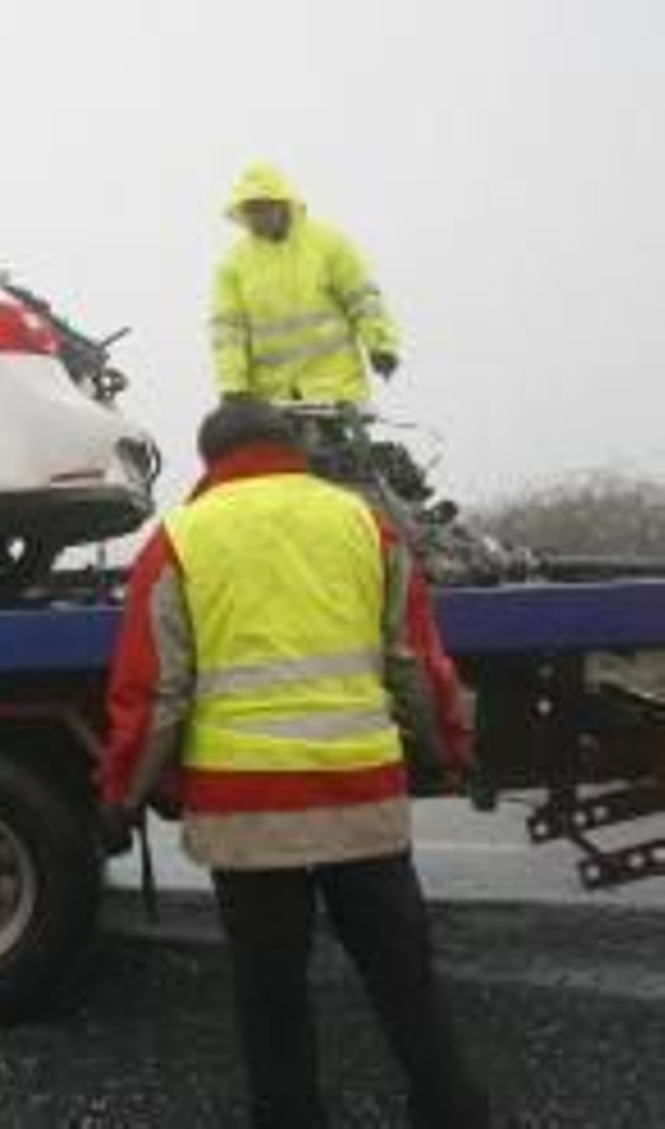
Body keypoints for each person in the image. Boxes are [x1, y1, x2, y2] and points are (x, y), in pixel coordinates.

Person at [99, 399, 488, 1129]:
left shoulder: (182, 537)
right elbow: (414, 662)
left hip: (247, 813)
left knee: (270, 992)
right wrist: (449, 752)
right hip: (361, 799)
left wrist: (122, 795)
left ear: (210, 460)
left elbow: (156, 694)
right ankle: (452, 1109)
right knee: (404, 979)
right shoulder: (363, 524)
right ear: (292, 448)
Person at [211, 164, 400, 405]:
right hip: (274, 401)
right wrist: (232, 386)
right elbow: (228, 332)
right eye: (250, 210)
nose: (257, 217)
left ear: (282, 204)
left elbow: (362, 297)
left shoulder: (328, 243)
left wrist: (380, 344)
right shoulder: (233, 265)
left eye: (263, 207)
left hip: (336, 392)